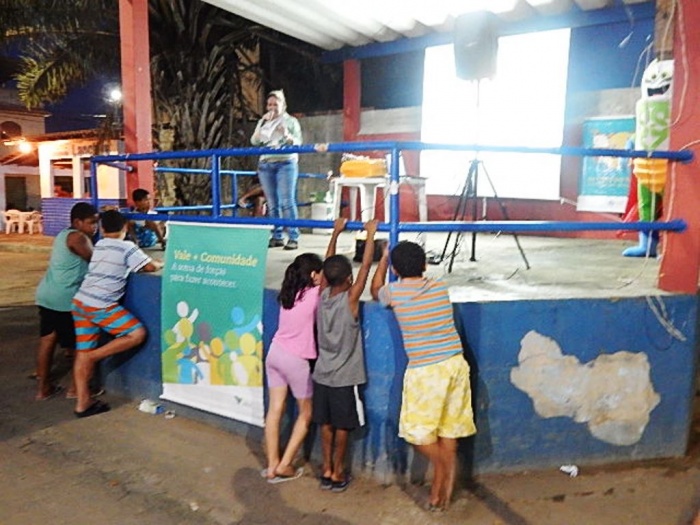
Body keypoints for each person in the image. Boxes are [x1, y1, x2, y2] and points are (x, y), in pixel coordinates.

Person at [370, 241, 476, 511]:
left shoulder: (393, 292)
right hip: (456, 364)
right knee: (449, 429)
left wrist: (383, 259)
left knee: (417, 434)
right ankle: (440, 493)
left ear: (395, 269)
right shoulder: (440, 287)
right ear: (425, 265)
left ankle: (442, 464)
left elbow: (374, 289)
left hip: (426, 371)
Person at [71, 210, 163, 418]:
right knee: (136, 334)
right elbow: (148, 266)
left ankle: (82, 403)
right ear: (125, 228)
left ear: (102, 229)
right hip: (100, 306)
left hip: (81, 302)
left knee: (82, 350)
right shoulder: (127, 247)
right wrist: (159, 263)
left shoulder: (100, 244)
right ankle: (93, 357)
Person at [312, 218, 378, 493]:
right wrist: (371, 235)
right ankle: (338, 472)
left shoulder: (322, 295)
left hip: (321, 375)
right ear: (349, 280)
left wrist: (336, 233)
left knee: (325, 423)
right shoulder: (350, 300)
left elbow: (329, 264)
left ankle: (326, 468)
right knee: (342, 426)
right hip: (343, 379)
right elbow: (366, 267)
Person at [262, 252, 324, 484]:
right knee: (306, 413)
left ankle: (271, 465)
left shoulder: (289, 293)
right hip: (296, 360)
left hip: (274, 353)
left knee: (274, 409)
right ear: (313, 274)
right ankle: (285, 464)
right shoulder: (315, 294)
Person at [34, 202, 99, 401]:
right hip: (64, 299)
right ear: (77, 222)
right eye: (91, 223)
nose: (95, 227)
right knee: (79, 345)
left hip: (47, 294)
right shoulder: (78, 238)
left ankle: (43, 389)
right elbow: (96, 261)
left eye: (96, 223)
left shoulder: (63, 235)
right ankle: (75, 389)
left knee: (48, 341)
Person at [250, 89, 303, 251]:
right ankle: (277, 235)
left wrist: (285, 134)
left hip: (285, 163)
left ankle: (293, 236)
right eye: (269, 104)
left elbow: (298, 143)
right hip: (266, 164)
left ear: (283, 105)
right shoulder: (264, 121)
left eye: (275, 104)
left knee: (287, 201)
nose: (272, 107)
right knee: (272, 203)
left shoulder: (291, 121)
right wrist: (261, 124)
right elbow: (254, 141)